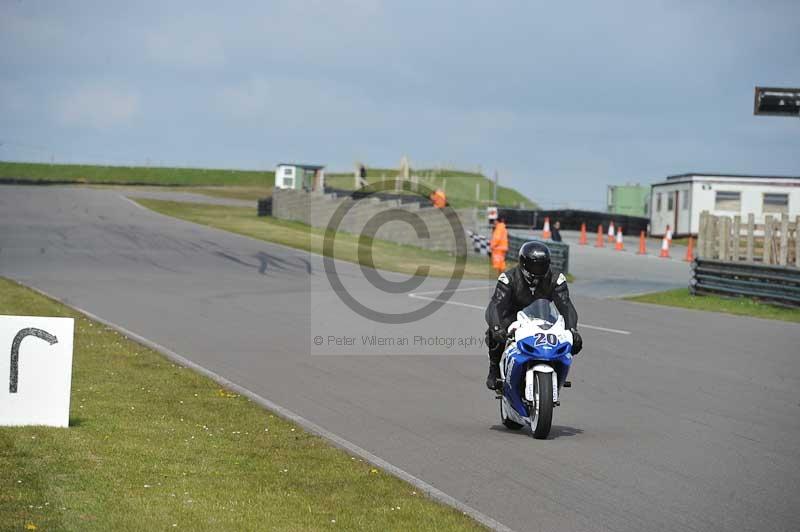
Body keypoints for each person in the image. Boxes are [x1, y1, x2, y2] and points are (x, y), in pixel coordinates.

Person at [483, 241, 583, 390]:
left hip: (543, 316)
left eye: (542, 265)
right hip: (513, 318)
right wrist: (497, 328)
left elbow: (566, 305)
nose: (538, 270)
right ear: (523, 264)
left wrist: (573, 330)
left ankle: (556, 372)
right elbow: (495, 305)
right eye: (534, 265)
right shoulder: (508, 278)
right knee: (493, 334)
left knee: (572, 342)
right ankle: (494, 368)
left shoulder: (556, 279)